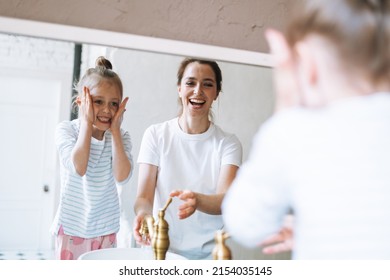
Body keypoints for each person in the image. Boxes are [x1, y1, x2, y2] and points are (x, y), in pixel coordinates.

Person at [222, 0, 390, 259]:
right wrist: (319, 230)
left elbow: (245, 223)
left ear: (308, 65)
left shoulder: (294, 130)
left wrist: (285, 107)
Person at [133, 58, 242, 260]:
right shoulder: (155, 135)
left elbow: (225, 200)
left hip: (208, 257)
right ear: (179, 88)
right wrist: (144, 214)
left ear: (216, 92)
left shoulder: (228, 143)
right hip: (160, 252)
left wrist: (197, 200)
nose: (198, 91)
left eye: (207, 84)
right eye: (190, 83)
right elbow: (144, 198)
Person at [51, 56, 133, 260]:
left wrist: (114, 132)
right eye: (98, 102)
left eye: (114, 103)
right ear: (81, 101)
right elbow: (79, 167)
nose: (107, 110)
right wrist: (87, 123)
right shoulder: (67, 130)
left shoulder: (121, 137)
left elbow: (122, 176)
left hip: (105, 229)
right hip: (71, 228)